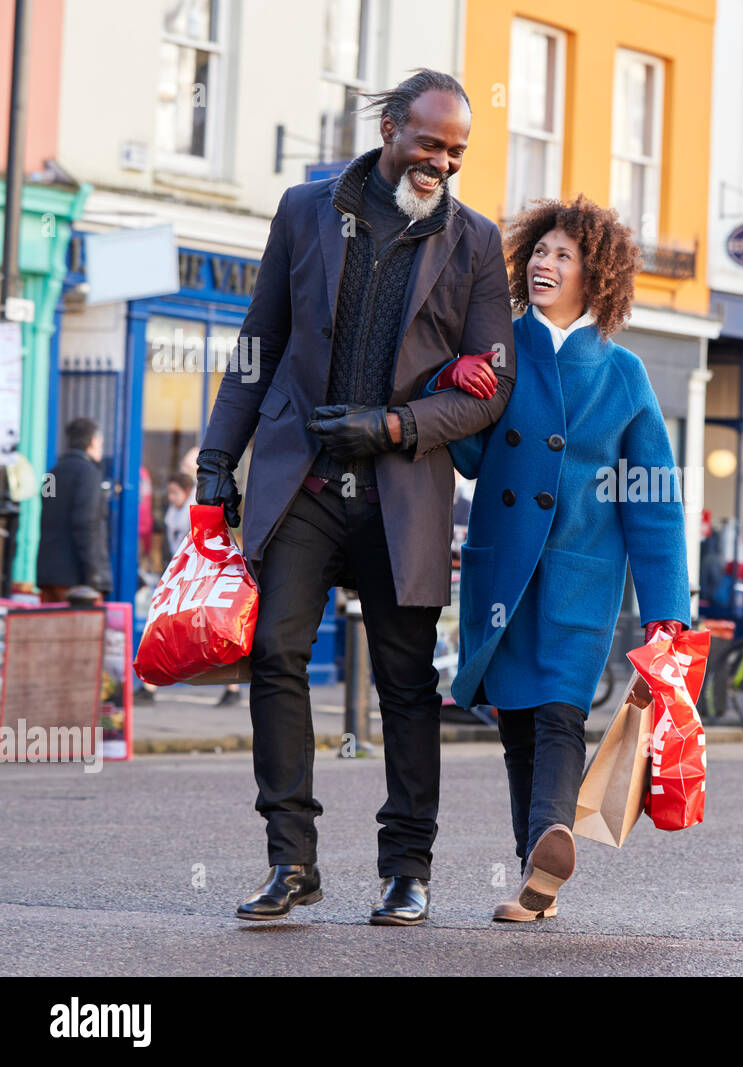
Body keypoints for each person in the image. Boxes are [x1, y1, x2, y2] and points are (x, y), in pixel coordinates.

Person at [196, 69, 515, 926]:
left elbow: (492, 386)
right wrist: (216, 458)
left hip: (401, 491)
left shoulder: (476, 242)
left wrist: (394, 426)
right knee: (274, 653)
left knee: (408, 687)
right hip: (301, 481)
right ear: (387, 126)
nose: (441, 163)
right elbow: (260, 341)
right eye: (429, 142)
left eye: (456, 151)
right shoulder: (305, 209)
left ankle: (407, 866)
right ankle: (290, 860)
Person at [447, 195, 690, 922]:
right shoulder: (501, 350)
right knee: (516, 720)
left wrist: (667, 614)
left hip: (582, 578)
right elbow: (466, 455)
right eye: (541, 252)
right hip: (504, 573)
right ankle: (540, 867)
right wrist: (453, 385)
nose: (547, 264)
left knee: (558, 712)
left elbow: (652, 502)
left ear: (597, 275)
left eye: (565, 255)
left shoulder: (625, 376)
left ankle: (548, 842)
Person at [36, 417, 112, 603]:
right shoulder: (89, 474)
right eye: (100, 442)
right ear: (92, 442)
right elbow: (86, 525)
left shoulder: (51, 474)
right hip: (75, 581)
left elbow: (46, 514)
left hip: (46, 575)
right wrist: (94, 577)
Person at [163, 473, 196, 559]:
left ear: (188, 491)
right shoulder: (170, 513)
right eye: (169, 492)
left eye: (175, 492)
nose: (170, 497)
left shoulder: (196, 517)